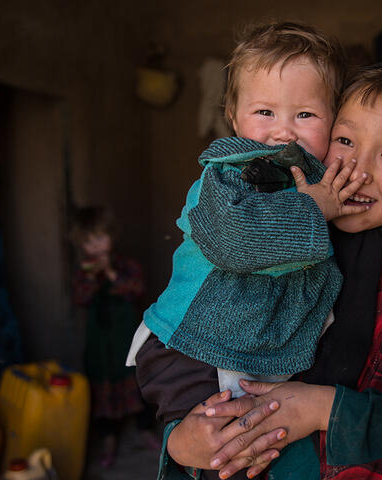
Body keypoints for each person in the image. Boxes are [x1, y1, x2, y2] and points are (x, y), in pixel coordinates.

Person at [136, 61, 382, 480]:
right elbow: (199, 362)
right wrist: (181, 443)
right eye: (345, 139)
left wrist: (323, 409)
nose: (358, 169)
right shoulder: (280, 231)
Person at [128, 21, 369, 400]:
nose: (285, 131)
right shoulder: (231, 176)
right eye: (265, 112)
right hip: (194, 351)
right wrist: (313, 207)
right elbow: (236, 239)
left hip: (252, 360)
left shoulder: (317, 182)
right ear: (234, 117)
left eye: (305, 115)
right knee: (217, 447)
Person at [71, 206, 159, 468]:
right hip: (100, 343)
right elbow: (80, 298)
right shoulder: (84, 272)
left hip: (125, 337)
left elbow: (137, 290)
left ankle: (144, 430)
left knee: (134, 379)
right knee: (102, 385)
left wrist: (110, 273)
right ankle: (108, 438)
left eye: (100, 238)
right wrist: (91, 277)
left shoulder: (127, 266)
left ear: (111, 237)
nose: (95, 246)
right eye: (89, 241)